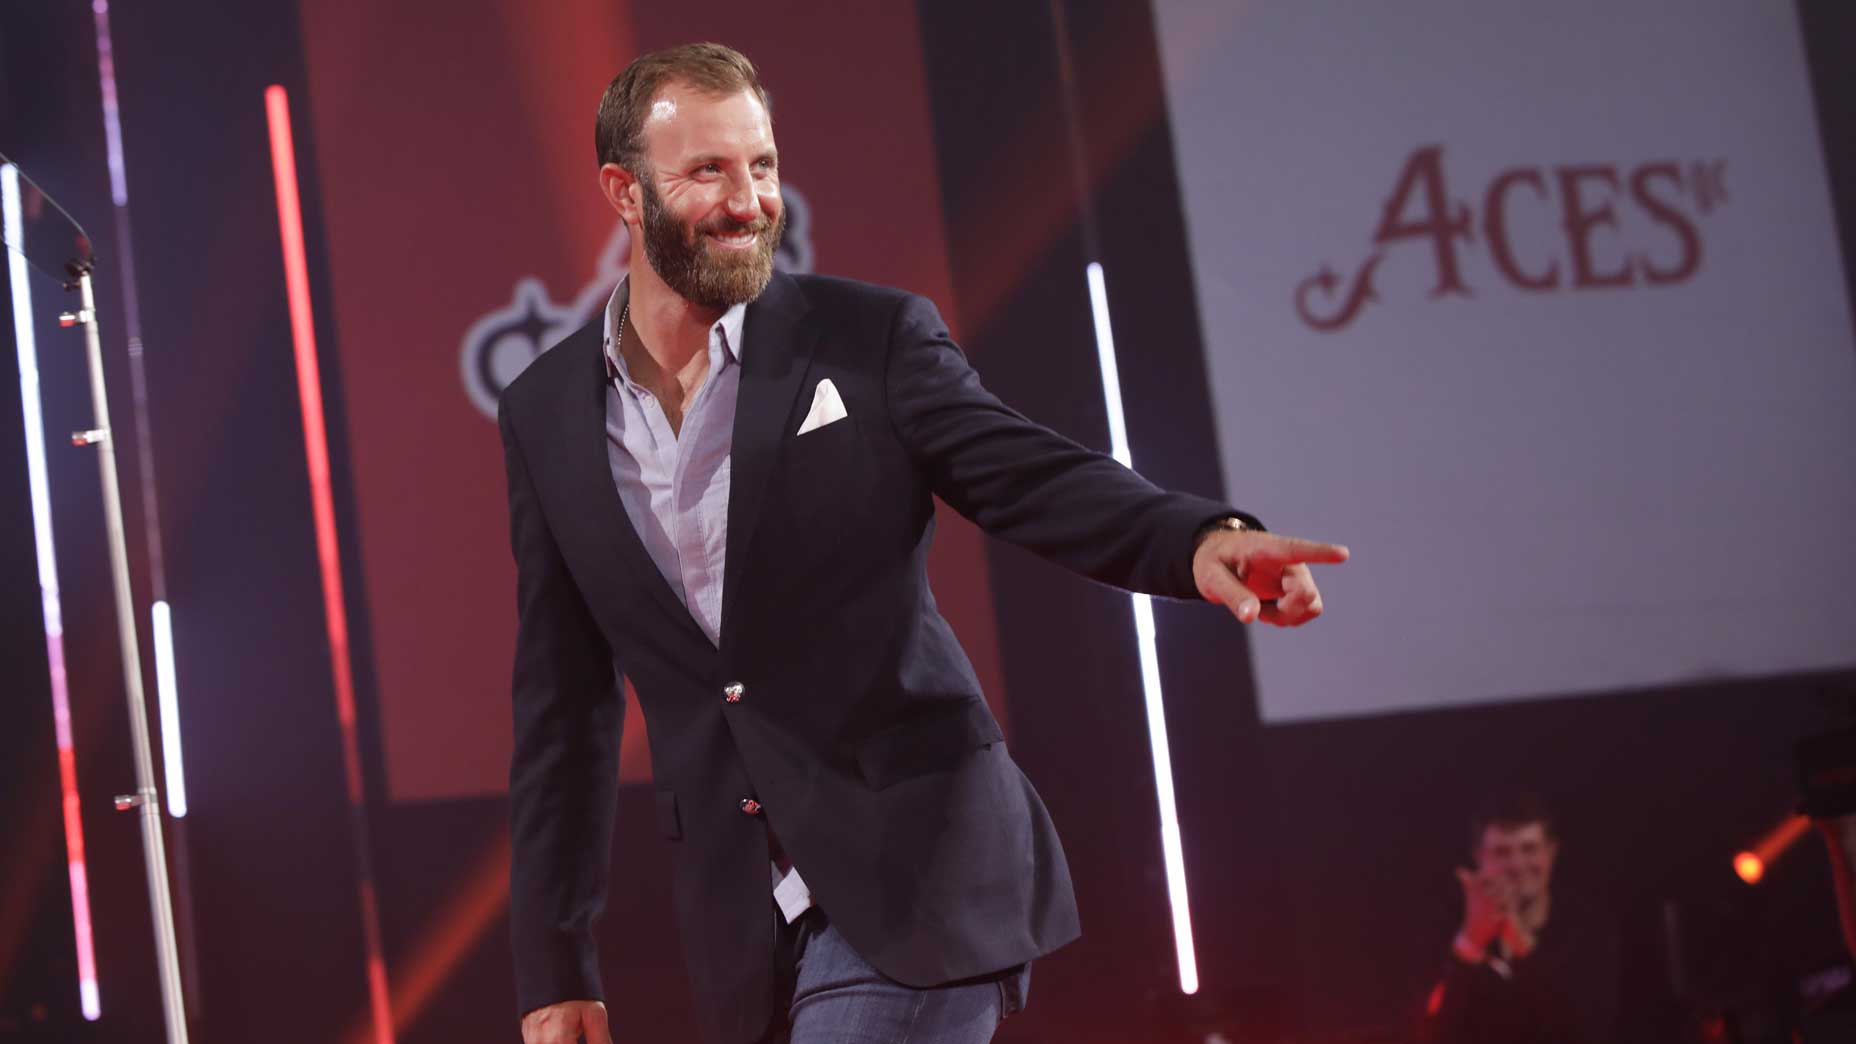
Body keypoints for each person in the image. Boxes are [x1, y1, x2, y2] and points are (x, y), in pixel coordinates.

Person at [497, 42, 1347, 1044]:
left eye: (762, 165)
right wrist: (557, 966)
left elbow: (1030, 474)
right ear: (623, 193)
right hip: (743, 924)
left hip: (921, 864)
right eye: (708, 172)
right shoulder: (546, 414)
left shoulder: (868, 342)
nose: (748, 200)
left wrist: (1196, 538)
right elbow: (563, 710)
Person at [1420, 795, 1619, 1044]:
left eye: (1529, 849)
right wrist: (1470, 943)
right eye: (1502, 852)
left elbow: (1583, 1031)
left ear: (1551, 853)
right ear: (1478, 857)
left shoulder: (1589, 932)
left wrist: (1518, 938)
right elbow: (1428, 1033)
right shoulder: (1445, 929)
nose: (1516, 864)